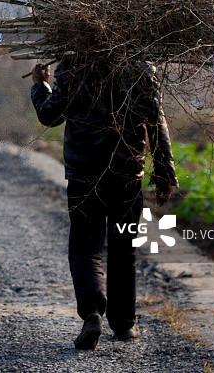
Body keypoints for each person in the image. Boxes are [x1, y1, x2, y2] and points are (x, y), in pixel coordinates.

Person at [30, 59, 178, 350]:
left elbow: (51, 115)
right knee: (124, 248)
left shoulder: (73, 66)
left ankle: (92, 314)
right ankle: (124, 324)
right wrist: (163, 173)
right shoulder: (140, 68)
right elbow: (155, 120)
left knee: (86, 247)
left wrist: (40, 87)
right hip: (126, 173)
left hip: (84, 175)